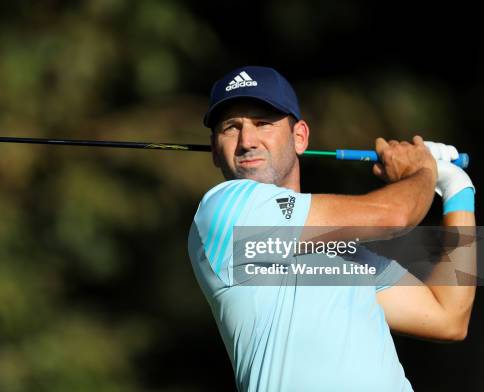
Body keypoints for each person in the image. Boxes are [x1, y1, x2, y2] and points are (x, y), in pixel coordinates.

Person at [187, 66, 476, 391]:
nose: (247, 141)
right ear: (214, 149)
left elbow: (449, 317)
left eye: (263, 123)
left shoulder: (344, 251)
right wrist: (423, 170)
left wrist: (457, 190)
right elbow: (394, 216)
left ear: (300, 137)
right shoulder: (226, 209)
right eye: (231, 128)